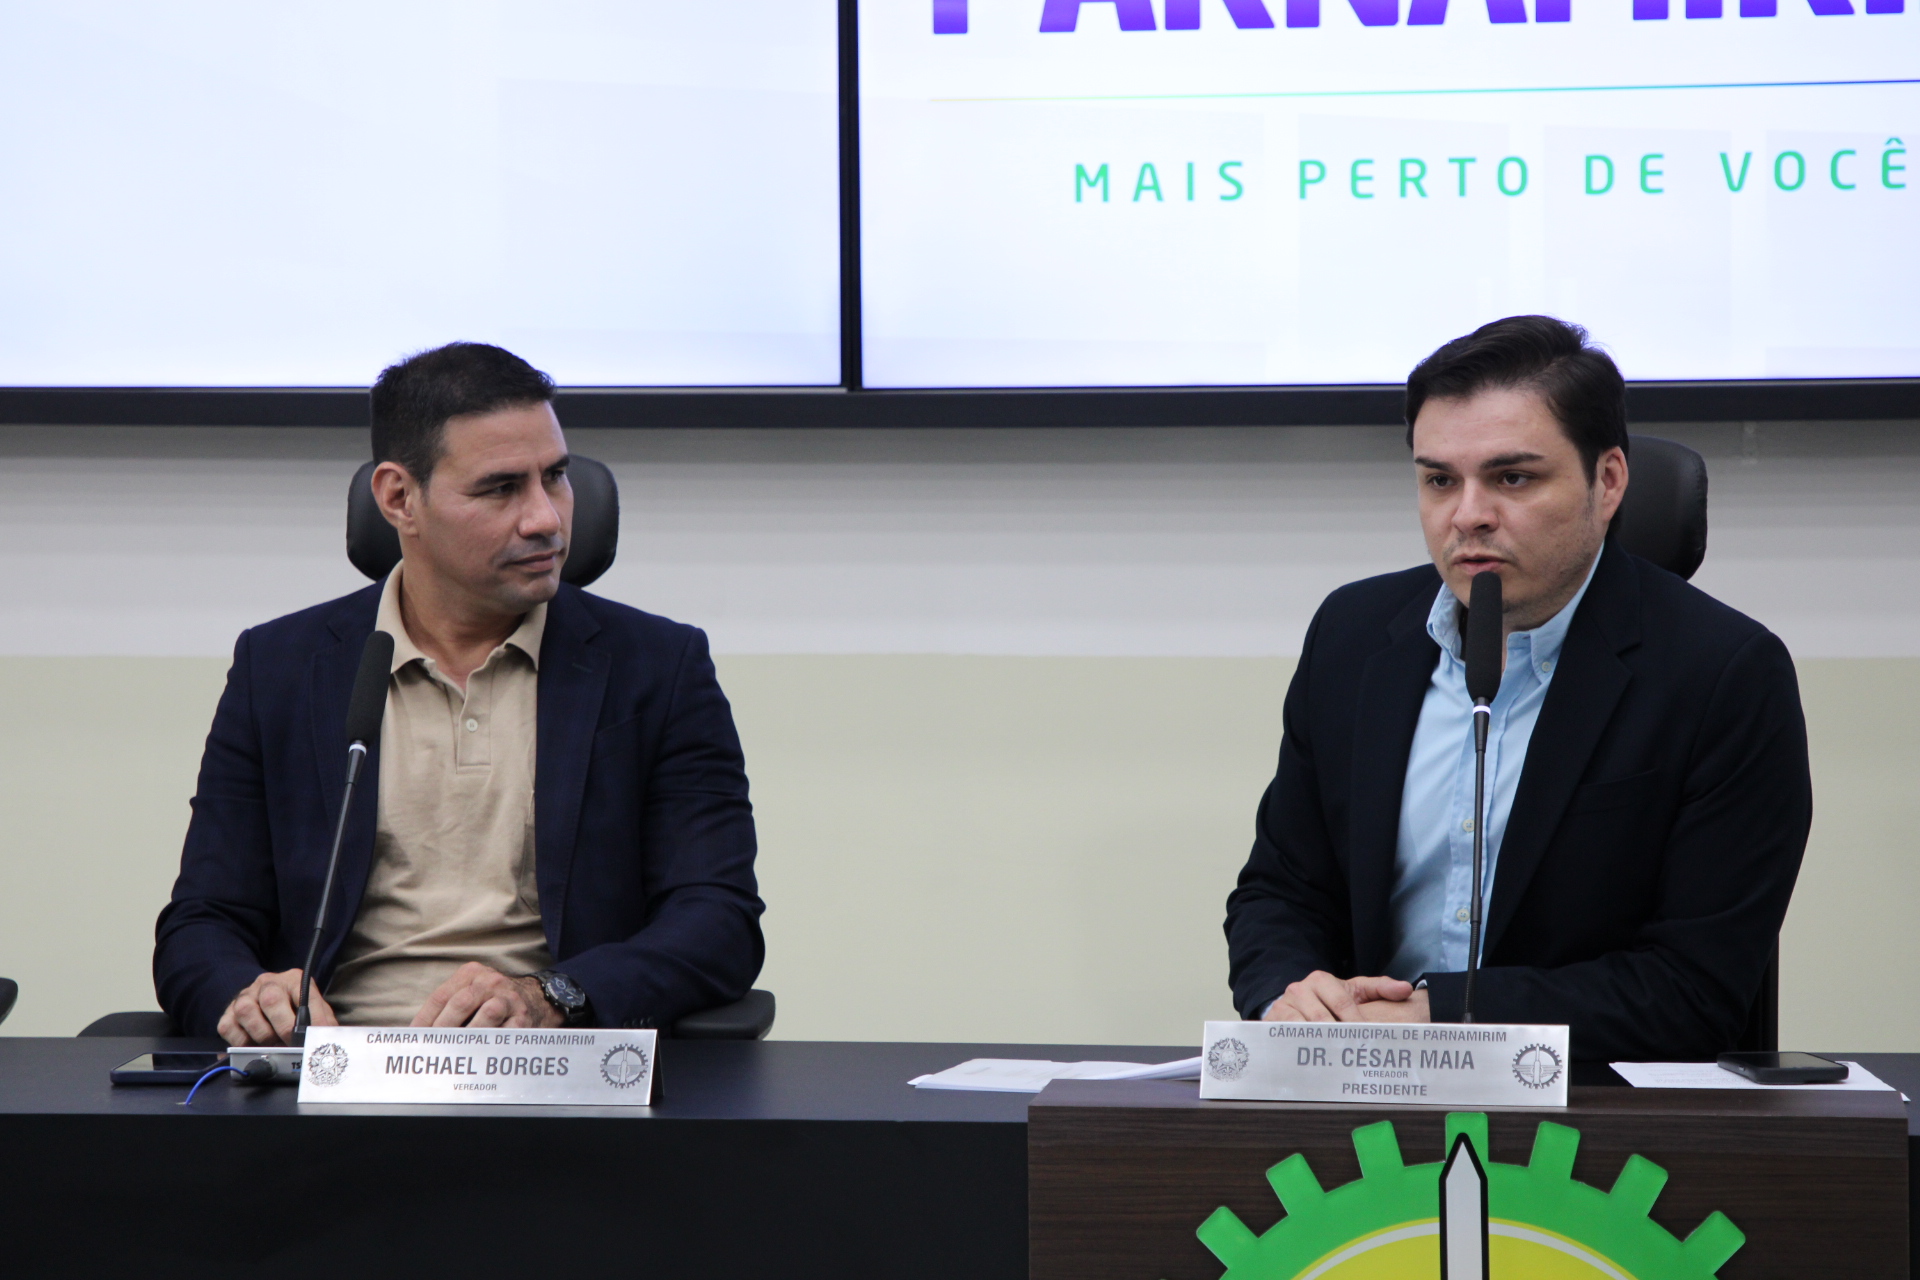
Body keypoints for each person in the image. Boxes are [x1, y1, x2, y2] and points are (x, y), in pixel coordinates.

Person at [1223, 315, 1811, 1061]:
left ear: (1608, 481)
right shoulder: (1353, 636)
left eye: (1512, 478)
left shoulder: (1724, 674)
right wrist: (1292, 994)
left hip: (1589, 1103)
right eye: (1440, 480)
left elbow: (1692, 990)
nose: (1467, 516)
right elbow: (1280, 889)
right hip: (1360, 1083)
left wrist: (1441, 1017)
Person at [155, 342, 763, 1044]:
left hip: (549, 1063)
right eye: (501, 488)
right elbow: (201, 923)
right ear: (399, 498)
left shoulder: (656, 667)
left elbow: (718, 920)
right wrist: (250, 995)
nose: (546, 518)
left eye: (555, 477)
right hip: (334, 1064)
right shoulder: (281, 668)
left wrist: (555, 995)